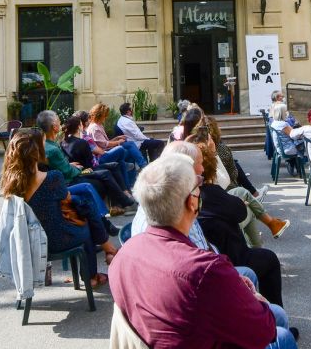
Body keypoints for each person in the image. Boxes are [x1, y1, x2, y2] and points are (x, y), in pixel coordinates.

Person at [110, 154, 298, 349]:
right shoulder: (205, 270)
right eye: (197, 186)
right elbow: (263, 331)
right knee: (281, 334)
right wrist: (255, 299)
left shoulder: (123, 255)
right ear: (192, 202)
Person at [0, 128, 117, 289]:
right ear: (37, 152)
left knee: (82, 205)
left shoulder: (10, 183)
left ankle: (103, 258)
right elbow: (66, 199)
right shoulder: (52, 178)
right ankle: (97, 267)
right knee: (86, 219)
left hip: (28, 241)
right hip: (55, 241)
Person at [191, 133, 287, 309]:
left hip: (213, 254)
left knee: (244, 199)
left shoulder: (188, 196)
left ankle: (267, 227)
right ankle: (273, 315)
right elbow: (238, 206)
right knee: (269, 258)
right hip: (230, 258)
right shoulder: (209, 194)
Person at [190, 131, 288, 248]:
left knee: (243, 194)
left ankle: (265, 232)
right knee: (249, 210)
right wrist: (214, 154)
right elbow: (226, 180)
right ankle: (257, 247)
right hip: (216, 219)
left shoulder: (191, 158)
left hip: (215, 205)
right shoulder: (210, 157)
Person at [37, 110, 136, 214]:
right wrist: (79, 169)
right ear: (54, 127)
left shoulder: (51, 144)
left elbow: (61, 165)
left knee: (112, 168)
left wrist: (69, 165)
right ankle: (121, 202)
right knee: (107, 172)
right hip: (70, 180)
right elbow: (68, 172)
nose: (60, 122)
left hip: (69, 174)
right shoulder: (54, 148)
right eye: (58, 120)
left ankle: (121, 200)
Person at [61, 113, 134, 194]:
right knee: (121, 150)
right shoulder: (84, 138)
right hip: (94, 163)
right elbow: (97, 155)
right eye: (88, 119)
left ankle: (126, 191)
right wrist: (116, 142)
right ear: (80, 125)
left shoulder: (66, 141)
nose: (90, 121)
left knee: (120, 161)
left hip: (88, 164)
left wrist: (115, 140)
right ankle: (126, 192)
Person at [86, 103, 149, 172]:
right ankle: (143, 165)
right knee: (127, 146)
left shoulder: (98, 125)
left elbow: (104, 142)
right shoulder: (94, 128)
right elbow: (104, 144)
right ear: (100, 116)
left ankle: (131, 177)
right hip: (102, 154)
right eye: (105, 116)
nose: (106, 118)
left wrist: (117, 138)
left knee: (130, 151)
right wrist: (118, 142)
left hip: (105, 149)